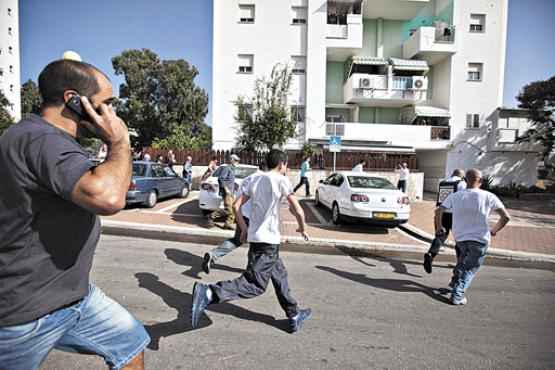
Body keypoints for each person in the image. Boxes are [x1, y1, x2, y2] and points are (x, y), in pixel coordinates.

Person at [0, 59, 149, 369]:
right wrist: (119, 140)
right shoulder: (42, 139)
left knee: (131, 344)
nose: (112, 114)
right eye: (106, 104)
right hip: (26, 314)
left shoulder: (44, 139)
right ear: (73, 100)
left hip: (74, 299)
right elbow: (108, 197)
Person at [191, 149, 312, 333]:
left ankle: (294, 314)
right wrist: (302, 227)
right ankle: (209, 292)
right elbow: (298, 209)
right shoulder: (282, 180)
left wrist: (244, 229)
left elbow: (235, 205)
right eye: (286, 165)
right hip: (268, 242)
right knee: (255, 284)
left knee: (279, 274)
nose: (286, 168)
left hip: (257, 239)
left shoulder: (253, 179)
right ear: (281, 164)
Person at [436, 169, 510, 305]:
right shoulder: (489, 196)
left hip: (460, 238)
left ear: (465, 180)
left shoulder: (455, 196)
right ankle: (457, 295)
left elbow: (439, 210)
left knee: (463, 261)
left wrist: (439, 227)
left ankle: (454, 282)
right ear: (481, 181)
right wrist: (494, 230)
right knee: (470, 268)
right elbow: (505, 217)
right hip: (480, 238)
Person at [201, 163, 266, 274]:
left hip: (243, 215)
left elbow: (238, 199)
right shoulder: (265, 180)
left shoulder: (248, 178)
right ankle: (252, 270)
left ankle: (213, 255)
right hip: (254, 217)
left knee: (237, 240)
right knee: (258, 245)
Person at [424, 169, 467, 274]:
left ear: (453, 174)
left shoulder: (443, 182)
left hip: (442, 213)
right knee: (459, 238)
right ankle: (460, 262)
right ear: (462, 176)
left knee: (440, 236)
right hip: (455, 214)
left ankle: (431, 254)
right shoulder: (462, 184)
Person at [208, 154, 240, 230]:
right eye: (235, 160)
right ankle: (211, 216)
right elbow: (221, 179)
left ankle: (227, 224)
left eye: (238, 161)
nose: (237, 162)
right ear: (231, 160)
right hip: (227, 193)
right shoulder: (227, 168)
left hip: (231, 192)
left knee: (232, 209)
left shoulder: (232, 169)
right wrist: (226, 189)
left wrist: (235, 186)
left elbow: (230, 180)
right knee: (228, 210)